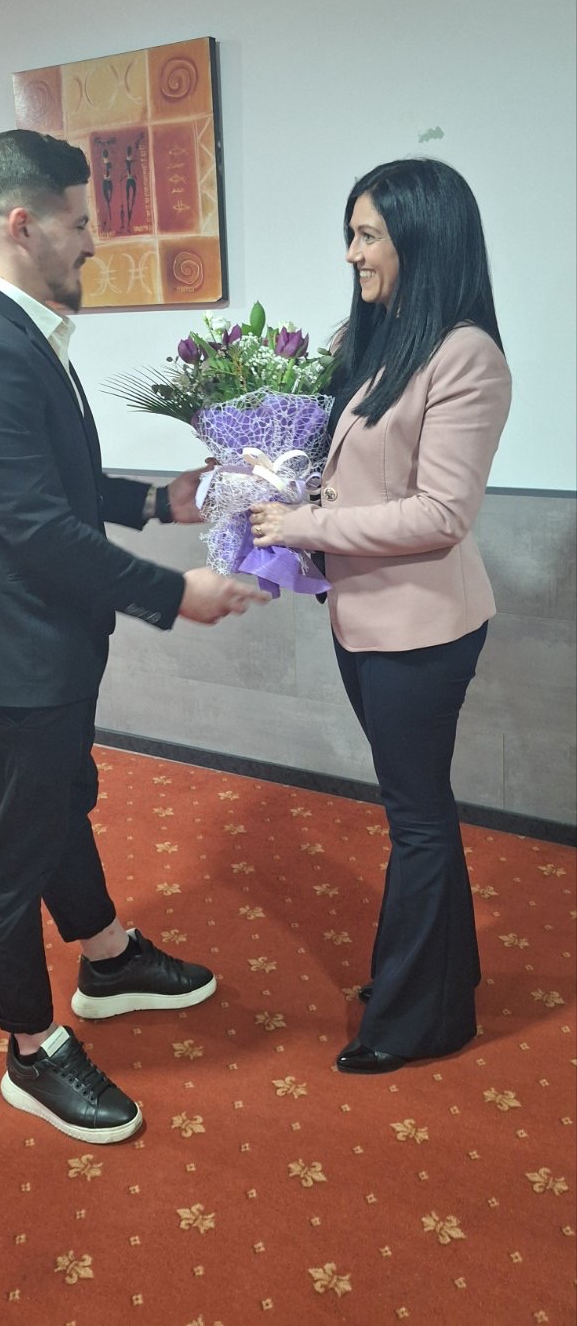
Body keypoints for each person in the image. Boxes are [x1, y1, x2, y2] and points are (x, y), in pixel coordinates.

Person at [0, 129, 267, 1144]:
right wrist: (175, 592)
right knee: (11, 860)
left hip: (39, 653)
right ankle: (30, 1049)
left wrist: (160, 499)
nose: (92, 243)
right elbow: (38, 530)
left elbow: (51, 485)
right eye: (79, 222)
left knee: (62, 803)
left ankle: (105, 958)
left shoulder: (15, 333)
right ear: (23, 224)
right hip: (2, 666)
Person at [250, 158, 512, 1074]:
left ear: (421, 238)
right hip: (363, 618)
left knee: (417, 819)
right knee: (418, 811)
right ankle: (436, 977)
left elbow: (440, 514)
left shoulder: (465, 354)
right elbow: (351, 471)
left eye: (366, 235)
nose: (351, 253)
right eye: (351, 233)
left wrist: (303, 525)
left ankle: (417, 1020)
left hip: (422, 630)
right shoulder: (382, 337)